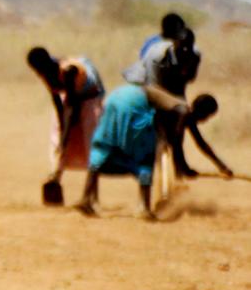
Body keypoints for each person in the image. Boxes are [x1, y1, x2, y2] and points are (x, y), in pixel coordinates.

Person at [76, 86, 221, 219]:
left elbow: (200, 143)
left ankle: (86, 198)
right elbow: (177, 144)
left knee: (103, 146)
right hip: (135, 102)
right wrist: (184, 169)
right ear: (204, 113)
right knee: (145, 154)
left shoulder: (179, 109)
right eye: (208, 117)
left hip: (116, 97)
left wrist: (222, 167)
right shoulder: (182, 111)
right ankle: (143, 207)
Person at [28, 48, 105, 188]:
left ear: (45, 64)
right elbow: (57, 101)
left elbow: (71, 107)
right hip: (72, 97)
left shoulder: (68, 71)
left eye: (38, 69)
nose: (37, 73)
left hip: (91, 97)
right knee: (57, 136)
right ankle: (55, 176)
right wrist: (62, 127)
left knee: (90, 139)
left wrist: (66, 135)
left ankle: (91, 188)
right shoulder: (45, 72)